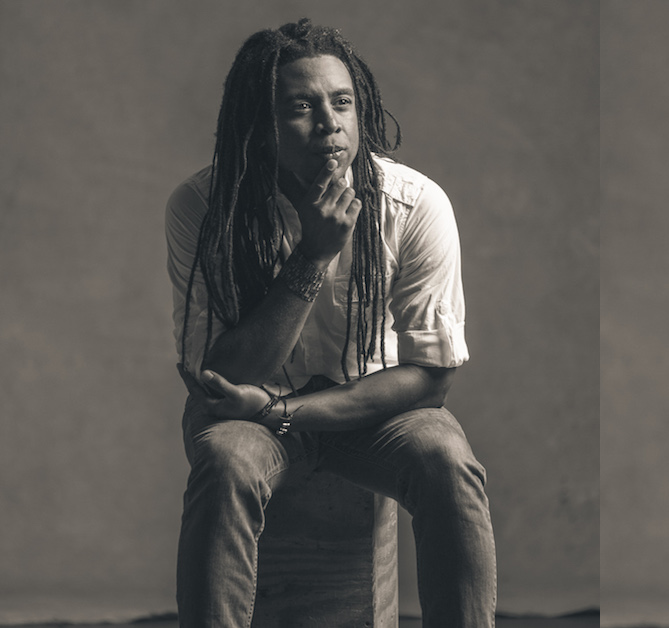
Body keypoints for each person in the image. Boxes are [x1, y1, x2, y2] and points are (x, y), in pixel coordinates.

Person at [165, 19, 495, 627]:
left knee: (448, 460)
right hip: (242, 408)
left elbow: (430, 377)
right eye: (301, 107)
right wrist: (312, 257)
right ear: (259, 128)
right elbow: (217, 375)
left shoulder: (414, 204)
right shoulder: (204, 208)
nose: (330, 123)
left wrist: (284, 411)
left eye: (342, 102)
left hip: (373, 411)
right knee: (226, 461)